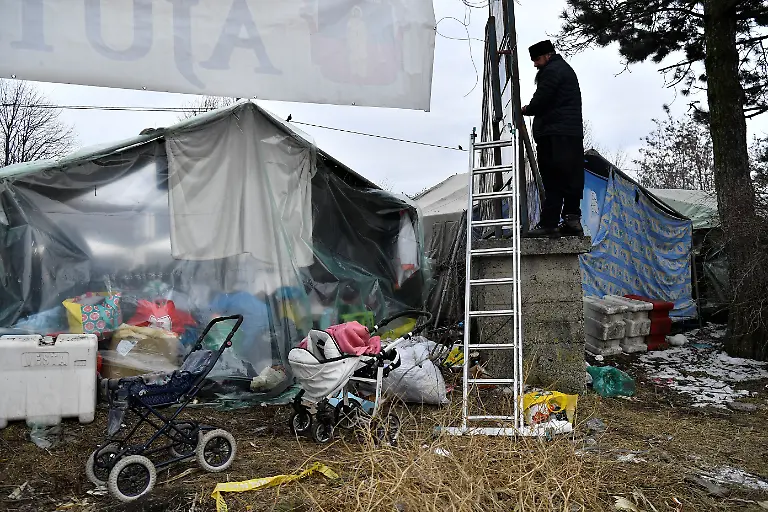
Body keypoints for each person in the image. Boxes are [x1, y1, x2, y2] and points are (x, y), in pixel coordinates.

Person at [521, 40, 585, 237]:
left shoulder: (551, 71)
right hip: (570, 133)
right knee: (571, 177)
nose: (535, 64)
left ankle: (549, 223)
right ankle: (572, 220)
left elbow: (542, 99)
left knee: (553, 178)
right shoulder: (565, 69)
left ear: (547, 55)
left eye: (537, 59)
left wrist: (526, 109)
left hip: (554, 135)